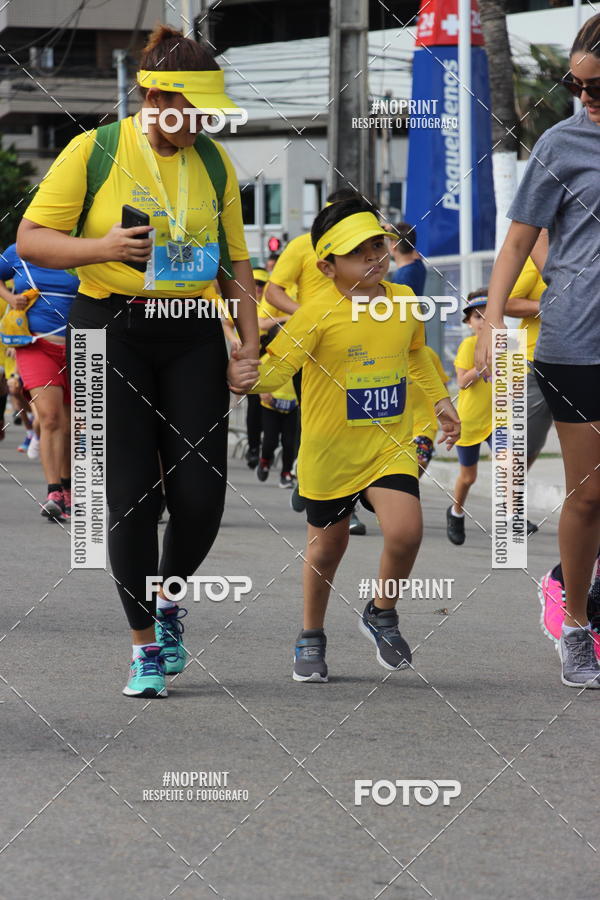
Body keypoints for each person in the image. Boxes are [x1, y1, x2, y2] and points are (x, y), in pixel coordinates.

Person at [17, 24, 259, 699]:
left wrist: (249, 344)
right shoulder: (92, 151)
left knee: (201, 499)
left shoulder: (214, 162)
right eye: (192, 110)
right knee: (130, 497)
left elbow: (236, 263)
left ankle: (169, 602)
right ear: (153, 97)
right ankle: (144, 646)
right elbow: (32, 239)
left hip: (190, 332)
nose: (202, 123)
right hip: (108, 328)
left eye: (209, 112)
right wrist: (102, 249)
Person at [229, 197, 460, 682]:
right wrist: (244, 376)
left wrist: (440, 402)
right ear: (327, 266)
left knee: (406, 531)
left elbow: (416, 355)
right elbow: (278, 372)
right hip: (329, 452)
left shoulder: (403, 302)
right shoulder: (314, 313)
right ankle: (311, 633)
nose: (375, 257)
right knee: (326, 550)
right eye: (360, 252)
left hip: (387, 445)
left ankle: (381, 611)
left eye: (379, 246)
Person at [475, 13, 600, 687]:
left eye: (598, 88)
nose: (586, 99)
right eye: (578, 86)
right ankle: (575, 623)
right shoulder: (562, 144)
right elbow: (518, 242)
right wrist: (493, 319)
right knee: (590, 495)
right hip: (577, 342)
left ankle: (576, 587)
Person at [265, 187, 371, 534]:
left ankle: (348, 504)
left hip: (359, 345)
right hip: (312, 347)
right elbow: (273, 291)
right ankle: (308, 475)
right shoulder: (300, 247)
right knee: (316, 419)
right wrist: (310, 316)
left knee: (356, 421)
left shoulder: (367, 251)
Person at [0, 243, 78, 520]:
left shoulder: (86, 244)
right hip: (34, 345)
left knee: (72, 425)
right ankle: (53, 492)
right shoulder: (22, 247)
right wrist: (9, 297)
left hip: (79, 347)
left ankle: (69, 488)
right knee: (50, 418)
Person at [446, 292, 497, 545]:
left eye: (488, 315)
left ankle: (511, 517)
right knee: (469, 477)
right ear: (469, 322)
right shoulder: (468, 346)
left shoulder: (505, 343)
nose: (483, 320)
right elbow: (462, 382)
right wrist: (482, 367)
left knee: (509, 465)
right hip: (470, 420)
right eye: (478, 316)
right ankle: (456, 512)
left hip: (498, 420)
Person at [409, 345, 449, 478]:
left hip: (423, 423)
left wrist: (446, 413)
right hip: (392, 426)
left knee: (420, 461)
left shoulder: (427, 354)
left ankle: (410, 488)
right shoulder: (386, 354)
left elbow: (442, 384)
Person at [387, 223, 427, 295]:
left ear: (394, 245)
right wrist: (394, 231)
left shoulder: (399, 280)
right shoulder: (419, 265)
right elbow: (409, 240)